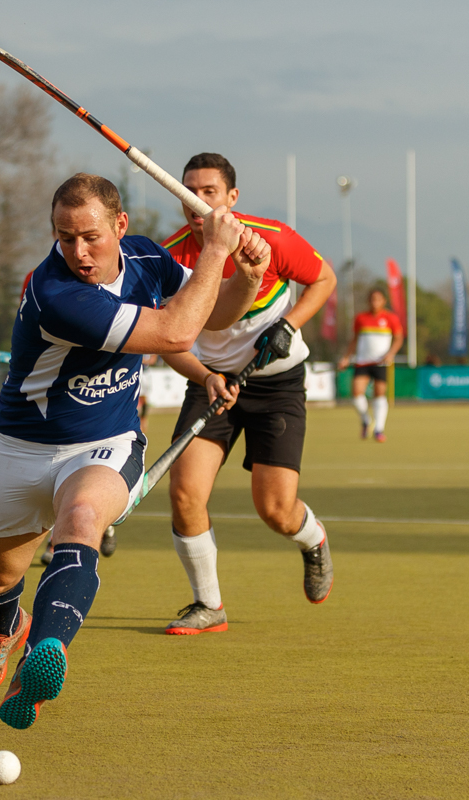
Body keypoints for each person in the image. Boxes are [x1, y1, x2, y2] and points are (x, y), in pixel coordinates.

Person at [0, 173, 269, 729]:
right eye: (64, 236)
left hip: (104, 444)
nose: (78, 251)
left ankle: (42, 657)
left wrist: (246, 279)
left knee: (79, 521)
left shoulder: (148, 259)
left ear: (120, 226)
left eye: (90, 236)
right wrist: (218, 249)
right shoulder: (56, 293)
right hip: (21, 450)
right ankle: (5, 628)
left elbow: (210, 316)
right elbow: (177, 332)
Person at [158, 153, 338, 637]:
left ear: (232, 198)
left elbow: (324, 279)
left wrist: (288, 323)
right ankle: (208, 604)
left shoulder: (271, 238)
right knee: (184, 492)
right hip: (211, 381)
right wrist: (205, 377)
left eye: (208, 192)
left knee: (275, 510)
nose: (196, 203)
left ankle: (313, 538)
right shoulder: (168, 257)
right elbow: (168, 342)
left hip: (277, 383)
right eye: (187, 192)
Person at [338, 288, 404, 442]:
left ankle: (379, 429)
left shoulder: (390, 318)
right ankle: (366, 420)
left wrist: (391, 353)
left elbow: (399, 338)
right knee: (356, 393)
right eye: (372, 299)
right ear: (369, 301)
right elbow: (354, 340)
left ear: (384, 301)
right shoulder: (361, 318)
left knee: (379, 394)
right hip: (363, 362)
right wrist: (346, 357)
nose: (375, 302)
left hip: (381, 363)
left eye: (378, 299)